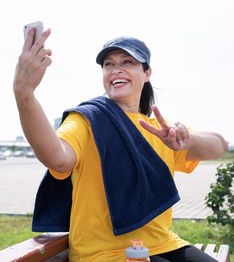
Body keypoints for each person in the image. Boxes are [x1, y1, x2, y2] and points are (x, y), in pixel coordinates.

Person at [13, 28, 228, 262]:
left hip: (163, 244)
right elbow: (57, 157)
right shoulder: (88, 120)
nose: (116, 69)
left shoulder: (161, 129)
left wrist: (187, 140)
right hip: (103, 254)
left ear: (147, 73)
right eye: (108, 64)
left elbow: (219, 145)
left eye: (128, 62)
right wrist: (25, 94)